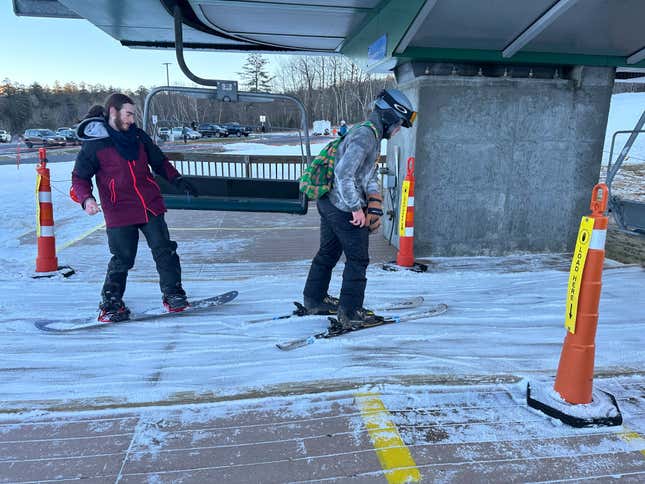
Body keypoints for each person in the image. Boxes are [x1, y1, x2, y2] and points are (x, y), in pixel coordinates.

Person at [72, 93, 198, 322]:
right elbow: (79, 177)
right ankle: (111, 304)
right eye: (128, 114)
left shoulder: (138, 137)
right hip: (119, 209)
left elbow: (159, 161)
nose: (131, 119)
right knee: (122, 259)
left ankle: (174, 295)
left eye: (133, 114)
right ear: (113, 112)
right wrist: (86, 199)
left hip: (149, 204)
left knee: (165, 250)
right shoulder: (95, 145)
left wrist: (178, 180)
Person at [302, 89, 417, 329]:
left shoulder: (369, 133)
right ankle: (351, 312)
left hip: (329, 202)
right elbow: (344, 173)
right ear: (388, 117)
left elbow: (366, 173)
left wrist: (374, 199)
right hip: (341, 205)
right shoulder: (366, 135)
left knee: (328, 253)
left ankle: (314, 299)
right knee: (358, 258)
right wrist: (356, 208)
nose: (397, 131)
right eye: (398, 125)